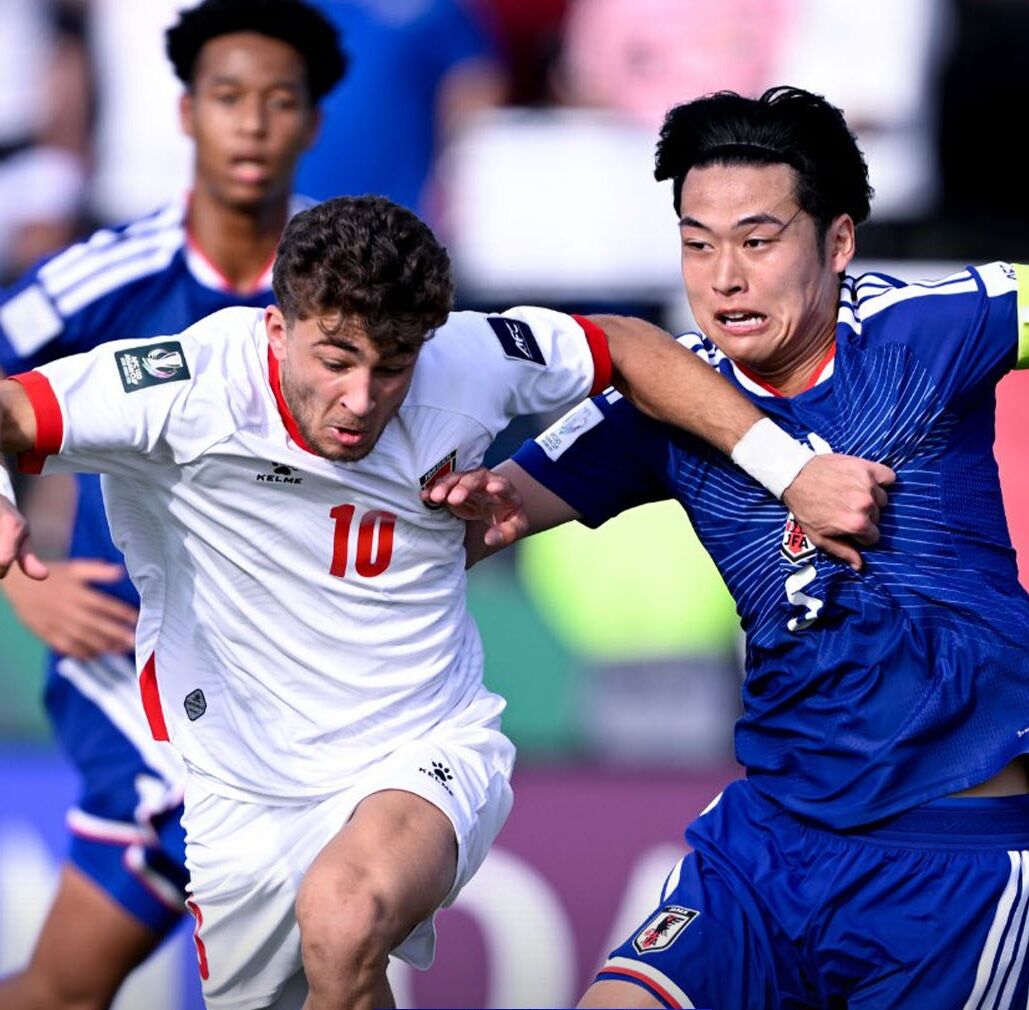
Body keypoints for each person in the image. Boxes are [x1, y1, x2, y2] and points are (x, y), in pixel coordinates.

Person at [0, 192, 890, 1010]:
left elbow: (627, 345)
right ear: (277, 328)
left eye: (391, 366)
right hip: (244, 780)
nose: (360, 399)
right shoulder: (179, 388)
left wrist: (792, 468)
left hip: (422, 740)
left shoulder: (467, 359)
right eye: (336, 359)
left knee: (344, 916)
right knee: (331, 975)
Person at [427, 86, 1029, 1009]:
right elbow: (485, 522)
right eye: (696, 244)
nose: (723, 278)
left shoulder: (927, 332)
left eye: (757, 240)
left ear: (836, 243)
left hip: (949, 857)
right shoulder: (666, 404)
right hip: (766, 846)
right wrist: (438, 511)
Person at [0, 1, 345, 1007]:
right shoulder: (110, 277)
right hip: (135, 661)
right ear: (187, 113)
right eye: (229, 98)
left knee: (71, 984)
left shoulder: (352, 276)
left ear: (313, 121)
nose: (252, 124)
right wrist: (20, 575)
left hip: (293, 675)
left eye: (279, 101)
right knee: (317, 940)